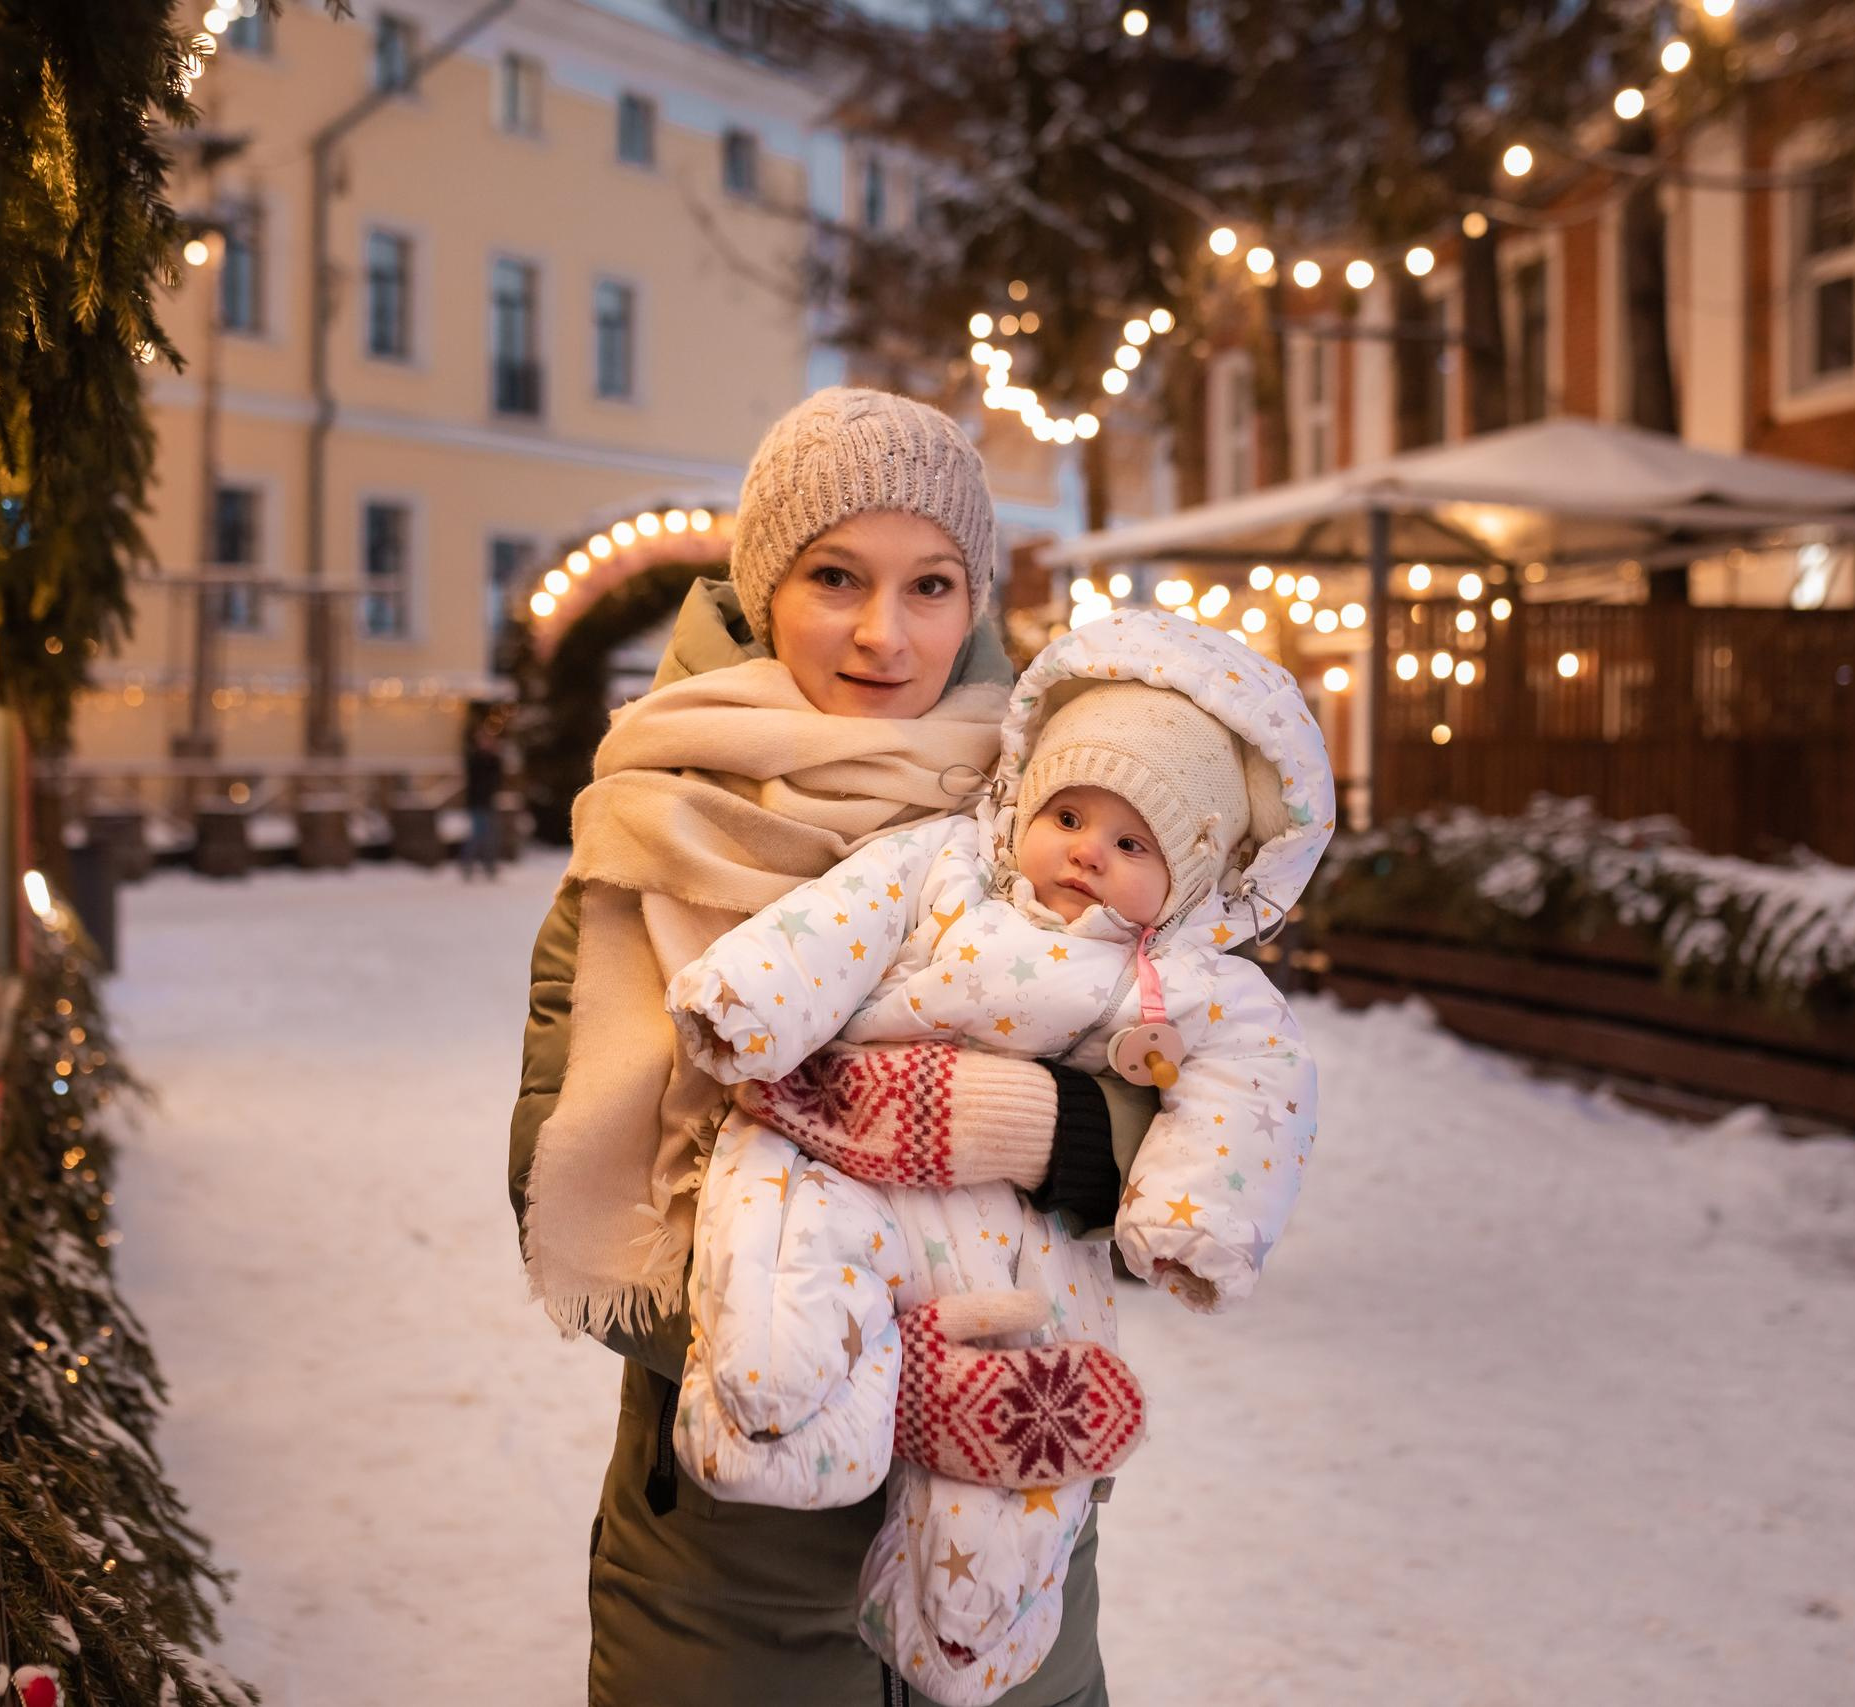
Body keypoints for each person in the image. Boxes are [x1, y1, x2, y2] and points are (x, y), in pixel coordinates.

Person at [507, 388, 1160, 1707]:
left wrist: (1058, 1130)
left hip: (1011, 1541)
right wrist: (872, 1363)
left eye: (931, 584)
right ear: (766, 586)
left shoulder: (1061, 819)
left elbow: (1196, 1121)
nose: (884, 632)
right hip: (733, 1570)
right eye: (836, 576)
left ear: (973, 599)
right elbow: (556, 1170)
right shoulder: (648, 825)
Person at [663, 609, 1333, 1703]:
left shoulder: (1194, 982)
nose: (1088, 851)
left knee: (1026, 1419)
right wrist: (748, 1004)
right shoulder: (942, 865)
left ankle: (968, 1628)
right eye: (1068, 815)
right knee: (781, 1234)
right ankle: (771, 1410)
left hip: (1022, 1244)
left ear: (1193, 876)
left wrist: (1192, 1218)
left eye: (1133, 844)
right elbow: (834, 924)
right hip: (840, 1156)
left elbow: (1257, 1089)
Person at [460, 703, 509, 880]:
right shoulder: (475, 759)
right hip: (477, 802)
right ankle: (468, 865)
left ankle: (489, 866)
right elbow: (478, 779)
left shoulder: (493, 759)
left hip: (488, 801)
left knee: (490, 836)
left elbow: (497, 777)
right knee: (478, 836)